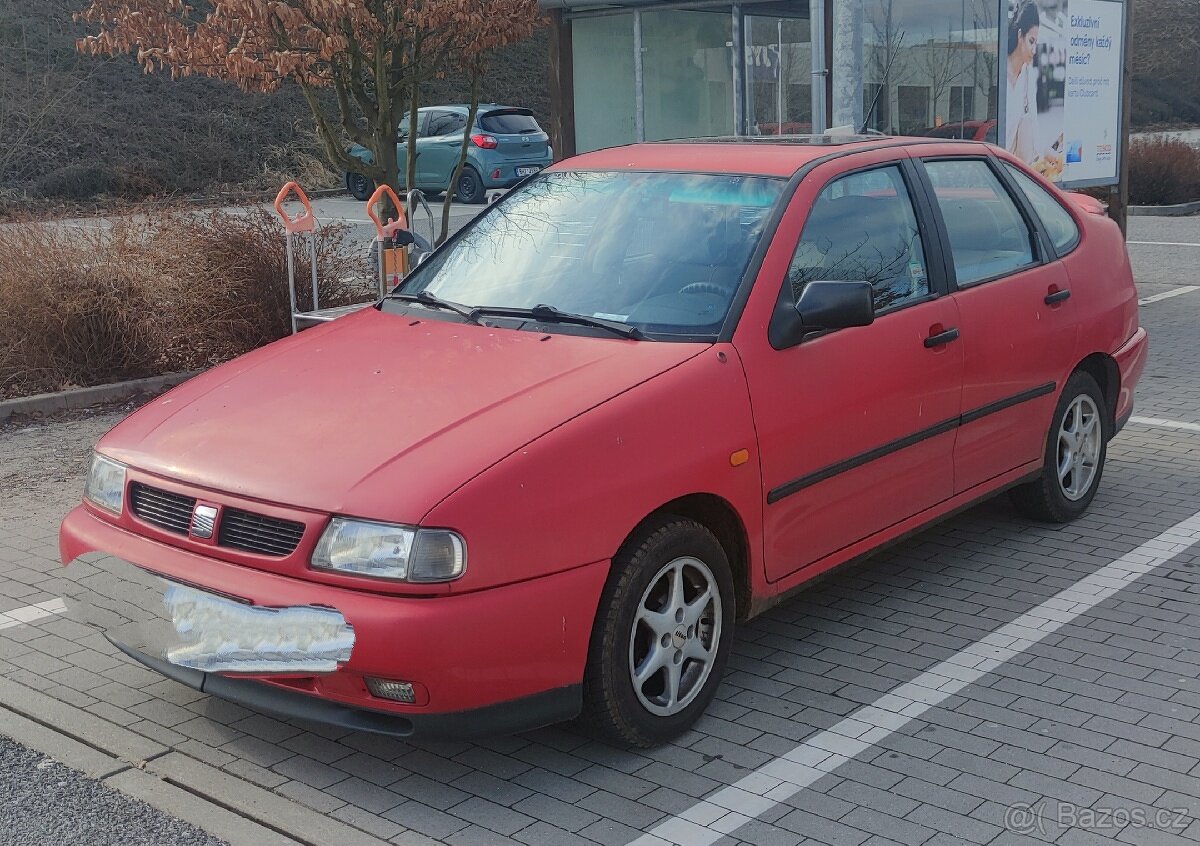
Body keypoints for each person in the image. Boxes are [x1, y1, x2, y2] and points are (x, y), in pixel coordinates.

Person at [1005, 0, 1041, 164]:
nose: (1034, 50)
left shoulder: (1027, 76)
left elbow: (1032, 123)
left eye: (1036, 43)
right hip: (991, 167)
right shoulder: (999, 72)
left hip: (1013, 169)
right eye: (1031, 41)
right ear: (1020, 35)